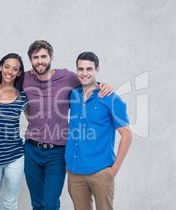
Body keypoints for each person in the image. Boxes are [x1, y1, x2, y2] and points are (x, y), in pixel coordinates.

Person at [22, 40, 112, 210]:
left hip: (57, 151)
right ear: (30, 59)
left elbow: (89, 82)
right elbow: (2, 79)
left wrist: (104, 85)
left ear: (51, 57)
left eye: (43, 56)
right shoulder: (25, 78)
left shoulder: (68, 77)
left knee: (50, 203)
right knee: (37, 203)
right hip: (31, 150)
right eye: (36, 57)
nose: (40, 61)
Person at [65, 52, 132, 210]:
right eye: (81, 69)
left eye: (89, 69)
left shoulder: (111, 98)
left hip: (101, 171)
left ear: (97, 70)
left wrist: (114, 169)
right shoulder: (73, 95)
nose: (84, 73)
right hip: (74, 170)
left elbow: (127, 135)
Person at [0, 53, 29, 210]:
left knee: (10, 203)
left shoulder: (22, 96)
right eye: (7, 66)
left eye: (14, 69)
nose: (10, 71)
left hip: (14, 156)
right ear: (1, 67)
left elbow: (33, 120)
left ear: (19, 73)